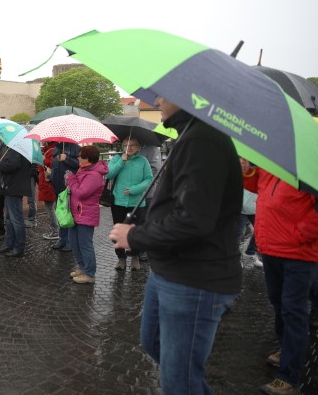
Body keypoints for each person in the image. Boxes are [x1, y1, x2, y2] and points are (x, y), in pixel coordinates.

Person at [109, 96, 243, 395]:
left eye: (163, 93)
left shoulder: (202, 140)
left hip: (195, 279)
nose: (157, 99)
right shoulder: (189, 136)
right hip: (169, 270)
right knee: (153, 343)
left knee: (179, 380)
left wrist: (135, 237)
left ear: (186, 94)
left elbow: (194, 220)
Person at [243, 164, 318, 395]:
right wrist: (247, 171)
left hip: (298, 253)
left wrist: (301, 233)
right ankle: (286, 348)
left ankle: (289, 376)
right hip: (272, 248)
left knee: (293, 310)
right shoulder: (273, 163)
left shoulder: (312, 168)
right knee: (277, 302)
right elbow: (260, 186)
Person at [105, 137, 153, 270]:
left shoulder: (143, 161)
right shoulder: (117, 158)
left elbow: (149, 179)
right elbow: (108, 174)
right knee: (118, 230)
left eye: (132, 145)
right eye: (126, 145)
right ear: (122, 146)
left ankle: (135, 256)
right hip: (118, 202)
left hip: (137, 203)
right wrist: (121, 161)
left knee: (136, 231)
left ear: (138, 148)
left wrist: (134, 189)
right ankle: (121, 258)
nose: (129, 147)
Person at [65, 145, 108, 284]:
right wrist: (70, 180)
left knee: (85, 245)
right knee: (74, 242)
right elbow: (76, 188)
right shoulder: (83, 169)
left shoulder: (94, 175)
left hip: (86, 214)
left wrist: (71, 178)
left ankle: (89, 274)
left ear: (87, 158)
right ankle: (83, 267)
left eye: (80, 155)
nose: (77, 157)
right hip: (76, 212)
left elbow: (81, 193)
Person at [0, 147, 33, 257]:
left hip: (14, 188)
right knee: (9, 219)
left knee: (16, 220)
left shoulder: (17, 148)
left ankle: (19, 247)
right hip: (11, 187)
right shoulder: (15, 148)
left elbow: (13, 164)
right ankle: (9, 243)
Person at [50, 142, 80, 251]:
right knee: (61, 214)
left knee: (69, 215)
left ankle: (70, 242)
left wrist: (66, 158)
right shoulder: (57, 147)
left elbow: (79, 164)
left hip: (69, 187)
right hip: (57, 187)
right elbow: (55, 165)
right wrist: (51, 176)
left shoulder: (76, 148)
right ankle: (62, 239)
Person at [38, 141, 59, 240]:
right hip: (46, 182)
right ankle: (56, 229)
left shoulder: (52, 151)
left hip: (48, 184)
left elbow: (53, 165)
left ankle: (55, 230)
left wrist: (44, 159)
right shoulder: (47, 150)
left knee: (50, 208)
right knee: (50, 208)